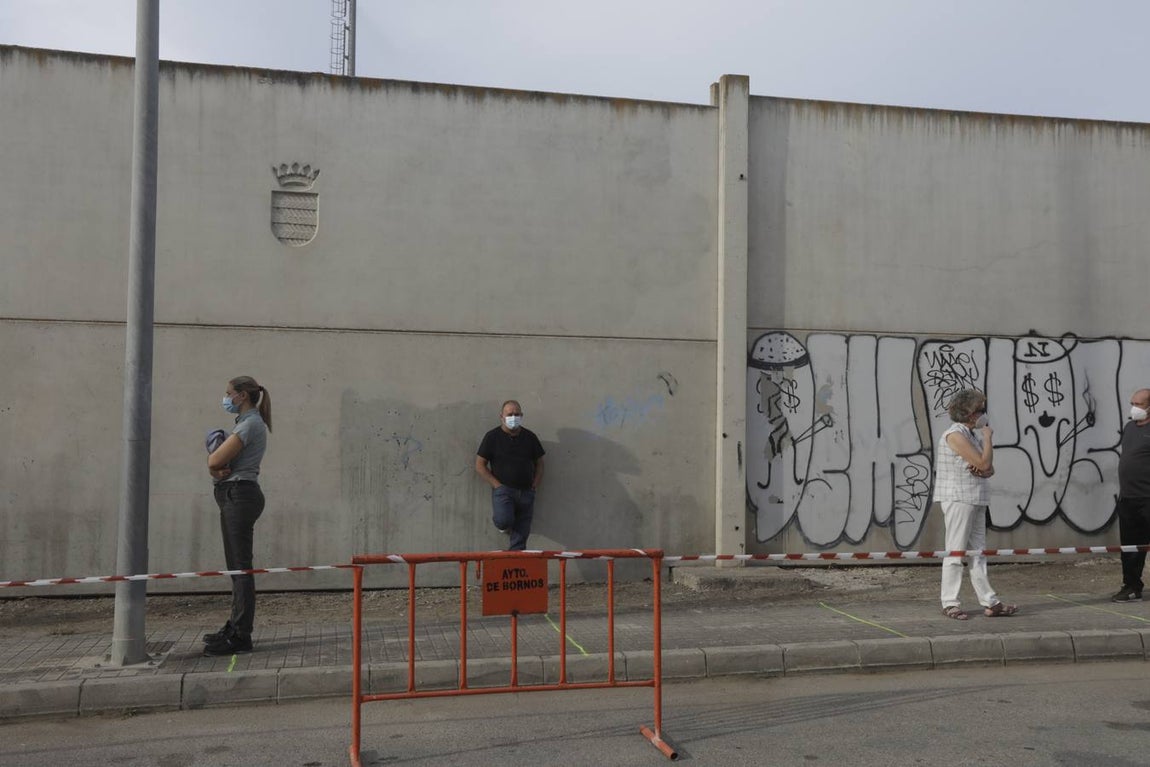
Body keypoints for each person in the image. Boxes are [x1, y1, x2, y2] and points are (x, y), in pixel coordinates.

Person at [934, 388, 1017, 620]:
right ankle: (949, 601)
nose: (984, 414)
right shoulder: (955, 435)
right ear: (970, 413)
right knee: (956, 550)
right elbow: (983, 462)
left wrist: (983, 465)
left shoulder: (971, 435)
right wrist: (988, 440)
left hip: (976, 497)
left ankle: (990, 601)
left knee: (978, 553)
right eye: (981, 409)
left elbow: (988, 468)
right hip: (959, 498)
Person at [203, 376, 272, 655]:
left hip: (239, 495)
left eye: (229, 393)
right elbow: (218, 464)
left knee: (241, 569)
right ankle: (235, 626)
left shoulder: (249, 424)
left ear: (242, 396)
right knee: (237, 568)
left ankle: (241, 636)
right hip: (236, 494)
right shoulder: (245, 423)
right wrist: (215, 470)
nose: (226, 397)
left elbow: (215, 460)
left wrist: (212, 467)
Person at [475, 400, 545, 551]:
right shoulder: (492, 437)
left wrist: (535, 484)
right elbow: (480, 465)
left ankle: (516, 565)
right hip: (503, 491)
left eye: (517, 414)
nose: (513, 417)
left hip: (527, 491)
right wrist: (497, 485)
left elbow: (540, 462)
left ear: (522, 415)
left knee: (521, 535)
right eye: (510, 414)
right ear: (502, 417)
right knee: (504, 520)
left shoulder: (530, 437)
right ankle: (504, 526)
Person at [1111, 389, 1150, 602]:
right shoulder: (1129, 428)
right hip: (1129, 498)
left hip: (1148, 497)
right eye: (1132, 402)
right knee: (1131, 547)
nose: (1133, 407)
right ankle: (1132, 585)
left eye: (1139, 404)